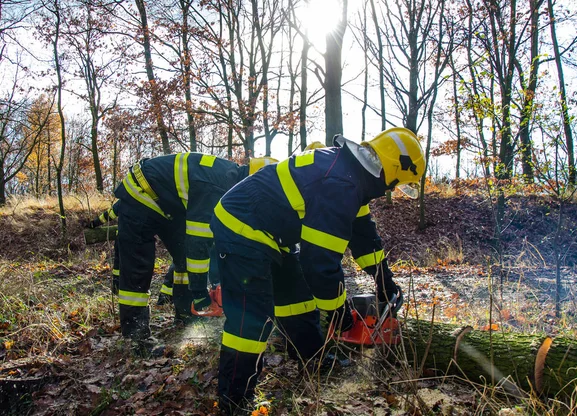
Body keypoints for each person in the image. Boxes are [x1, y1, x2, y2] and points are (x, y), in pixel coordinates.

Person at [210, 127, 425, 413]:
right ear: (392, 169)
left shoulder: (350, 176)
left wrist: (384, 280)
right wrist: (340, 314)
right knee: (251, 320)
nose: (390, 189)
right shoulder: (341, 183)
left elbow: (363, 237)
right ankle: (234, 401)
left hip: (273, 233)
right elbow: (320, 263)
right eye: (396, 183)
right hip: (242, 226)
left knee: (298, 299)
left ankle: (313, 358)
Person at [113, 152, 277, 353]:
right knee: (138, 268)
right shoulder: (217, 188)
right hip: (141, 192)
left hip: (168, 201)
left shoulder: (230, 181)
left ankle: (184, 313)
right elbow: (198, 244)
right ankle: (136, 338)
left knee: (182, 258)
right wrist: (200, 294)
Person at [86, 200, 174, 305]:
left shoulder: (125, 199)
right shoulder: (149, 200)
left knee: (119, 265)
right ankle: (129, 292)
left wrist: (93, 223)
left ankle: (117, 288)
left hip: (123, 239)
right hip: (140, 241)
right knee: (132, 268)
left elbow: (109, 214)